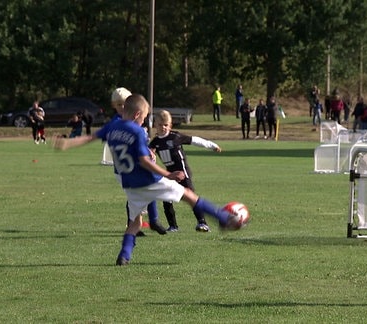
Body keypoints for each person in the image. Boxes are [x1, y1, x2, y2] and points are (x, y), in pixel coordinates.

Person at [54, 94, 243, 266]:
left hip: (130, 185)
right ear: (137, 114)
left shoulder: (113, 126)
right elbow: (144, 160)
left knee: (135, 223)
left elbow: (90, 137)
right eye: (144, 117)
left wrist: (67, 143)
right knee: (189, 195)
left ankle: (124, 255)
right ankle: (223, 218)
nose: (145, 120)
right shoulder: (136, 132)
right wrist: (168, 174)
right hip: (150, 181)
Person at [102, 87, 166, 236]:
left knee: (145, 190)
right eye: (119, 105)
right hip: (126, 168)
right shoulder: (119, 122)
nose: (122, 107)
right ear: (114, 106)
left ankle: (147, 222)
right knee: (139, 192)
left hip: (134, 165)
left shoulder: (132, 119)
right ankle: (144, 223)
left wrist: (149, 150)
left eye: (125, 104)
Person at [149, 109, 222, 233]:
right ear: (155, 125)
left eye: (166, 125)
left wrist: (212, 146)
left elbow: (195, 140)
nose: (163, 127)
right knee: (167, 199)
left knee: (191, 197)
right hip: (169, 174)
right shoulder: (155, 142)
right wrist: (151, 155)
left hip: (183, 172)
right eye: (160, 125)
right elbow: (148, 153)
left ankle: (202, 223)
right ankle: (173, 226)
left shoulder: (176, 136)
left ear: (170, 125)